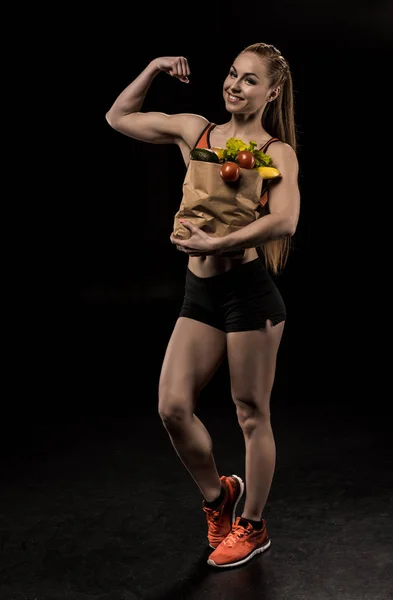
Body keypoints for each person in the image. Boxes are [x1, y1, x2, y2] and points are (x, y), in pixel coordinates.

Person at [106, 42, 301, 569]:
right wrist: (150, 68)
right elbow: (117, 116)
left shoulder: (275, 153)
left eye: (250, 80)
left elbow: (284, 220)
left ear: (272, 91)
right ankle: (219, 497)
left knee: (251, 413)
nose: (235, 86)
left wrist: (215, 244)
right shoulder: (197, 131)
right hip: (202, 294)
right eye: (232, 75)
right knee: (172, 406)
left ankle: (253, 526)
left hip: (248, 294)